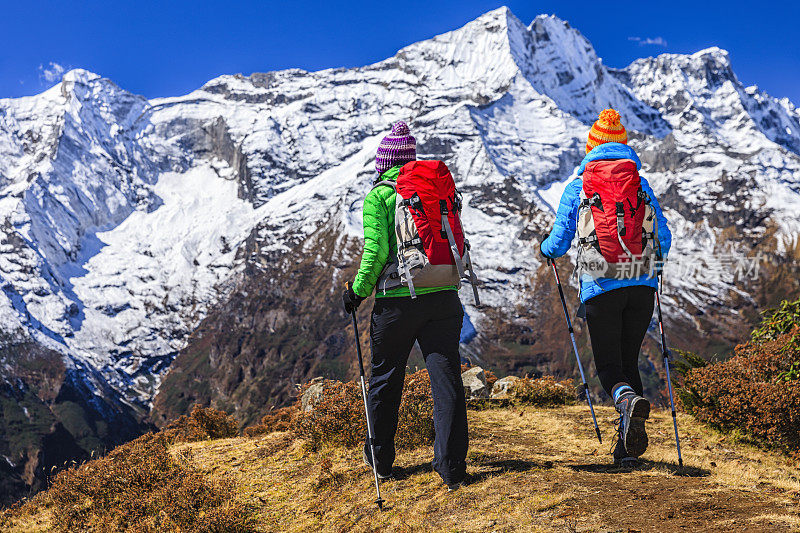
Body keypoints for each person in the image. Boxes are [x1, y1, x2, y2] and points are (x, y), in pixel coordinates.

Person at [539, 109, 671, 466]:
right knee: (629, 361)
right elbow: (664, 236)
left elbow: (560, 240)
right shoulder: (640, 186)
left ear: (591, 148)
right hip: (642, 287)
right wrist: (651, 272)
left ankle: (627, 404)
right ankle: (626, 452)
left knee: (609, 368)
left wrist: (545, 249)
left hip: (601, 286)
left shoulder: (578, 186)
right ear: (625, 148)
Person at [342, 121, 468, 490]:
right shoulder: (435, 188)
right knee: (446, 377)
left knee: (386, 377)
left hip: (398, 303)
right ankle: (451, 466)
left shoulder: (379, 195)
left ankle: (380, 459)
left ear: (384, 163)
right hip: (444, 295)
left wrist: (358, 291)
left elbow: (377, 250)